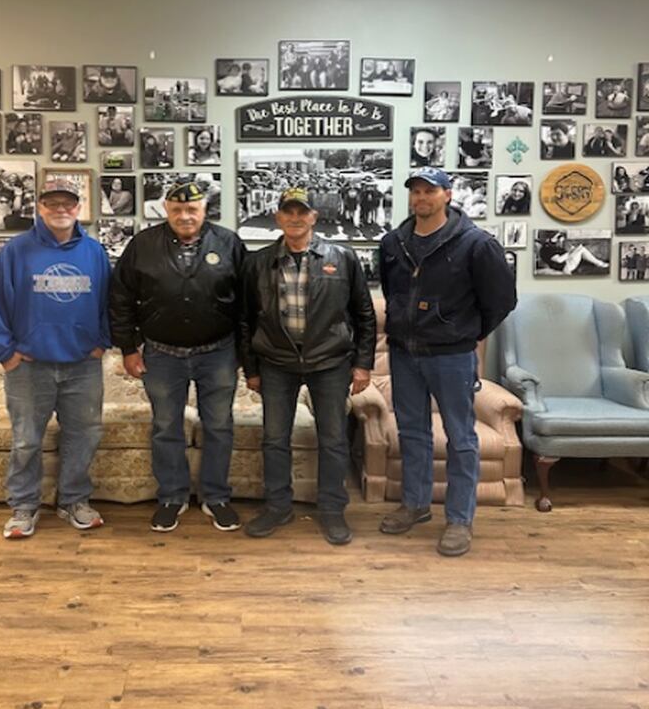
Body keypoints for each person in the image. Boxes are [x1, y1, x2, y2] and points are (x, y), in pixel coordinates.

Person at [378, 168, 516, 557]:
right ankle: (416, 504)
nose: (422, 198)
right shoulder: (393, 243)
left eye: (430, 191)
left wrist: (466, 332)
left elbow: (501, 300)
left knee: (461, 437)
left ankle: (459, 519)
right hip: (404, 354)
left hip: (452, 357)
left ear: (448, 195)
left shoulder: (476, 244)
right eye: (416, 192)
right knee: (413, 433)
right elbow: (392, 292)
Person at [240, 187, 376, 546]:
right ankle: (277, 506)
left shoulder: (342, 258)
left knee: (332, 440)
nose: (296, 218)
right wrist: (250, 368)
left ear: (315, 216)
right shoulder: (257, 262)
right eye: (289, 212)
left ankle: (332, 510)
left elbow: (363, 312)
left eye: (303, 212)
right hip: (275, 362)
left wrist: (363, 364)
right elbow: (245, 319)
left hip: (330, 361)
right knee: (274, 439)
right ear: (278, 217)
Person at [109, 180, 246, 534]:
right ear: (166, 210)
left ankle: (216, 497)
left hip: (218, 353)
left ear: (204, 210)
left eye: (192, 210)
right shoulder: (143, 244)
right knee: (166, 428)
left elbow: (248, 303)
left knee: (218, 427)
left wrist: (245, 354)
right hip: (162, 354)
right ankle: (172, 496)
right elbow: (120, 297)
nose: (185, 216)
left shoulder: (228, 242)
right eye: (177, 210)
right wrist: (127, 347)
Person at [0, 180, 112, 540]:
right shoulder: (15, 251)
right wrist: (4, 354)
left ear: (78, 207)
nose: (60, 209)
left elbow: (110, 304)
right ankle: (23, 507)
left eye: (67, 203)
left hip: (82, 365)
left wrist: (102, 343)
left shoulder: (95, 253)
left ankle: (74, 502)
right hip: (29, 366)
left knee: (83, 437)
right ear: (39, 207)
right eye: (51, 202)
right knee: (26, 440)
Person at [538, 231, 609, 274]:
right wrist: (570, 251)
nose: (559, 239)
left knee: (580, 248)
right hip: (565, 267)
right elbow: (559, 260)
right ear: (549, 238)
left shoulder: (552, 246)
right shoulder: (546, 249)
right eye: (557, 237)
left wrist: (573, 250)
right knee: (581, 249)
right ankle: (600, 263)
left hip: (567, 262)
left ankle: (599, 263)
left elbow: (564, 254)